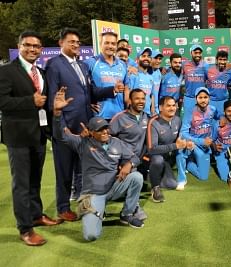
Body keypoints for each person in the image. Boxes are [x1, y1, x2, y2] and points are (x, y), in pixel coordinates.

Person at [53, 89, 145, 241]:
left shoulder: (116, 142)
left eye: (105, 128)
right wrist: (57, 113)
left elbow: (135, 157)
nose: (104, 132)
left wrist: (129, 164)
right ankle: (95, 211)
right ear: (90, 132)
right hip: (94, 193)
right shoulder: (82, 143)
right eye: (99, 130)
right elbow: (60, 135)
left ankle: (127, 214)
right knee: (91, 235)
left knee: (136, 177)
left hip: (114, 187)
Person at [0, 30, 62, 246]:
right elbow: (3, 102)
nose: (32, 49)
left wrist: (54, 108)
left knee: (35, 180)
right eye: (28, 45)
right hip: (17, 137)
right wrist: (29, 101)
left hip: (38, 135)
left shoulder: (41, 72)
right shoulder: (6, 71)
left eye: (36, 46)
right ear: (20, 46)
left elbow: (42, 103)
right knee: (22, 184)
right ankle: (25, 228)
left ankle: (36, 215)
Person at [46, 27, 93, 221]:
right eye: (71, 41)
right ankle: (63, 208)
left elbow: (89, 93)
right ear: (61, 43)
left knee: (82, 169)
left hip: (84, 127)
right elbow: (53, 99)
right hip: (65, 128)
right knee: (64, 170)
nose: (76, 45)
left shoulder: (82, 66)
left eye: (78, 42)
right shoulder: (53, 64)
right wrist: (61, 124)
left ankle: (82, 202)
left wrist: (110, 90)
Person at [109, 89, 149, 221]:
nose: (140, 101)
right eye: (137, 99)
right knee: (133, 172)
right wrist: (120, 160)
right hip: (121, 160)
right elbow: (107, 139)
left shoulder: (146, 117)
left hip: (138, 159)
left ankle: (131, 205)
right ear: (130, 101)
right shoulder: (119, 118)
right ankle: (133, 206)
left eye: (143, 98)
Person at [147, 96, 190, 201]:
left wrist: (187, 143)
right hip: (154, 157)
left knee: (172, 184)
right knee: (158, 160)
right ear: (161, 108)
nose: (172, 108)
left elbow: (181, 139)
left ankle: (152, 174)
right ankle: (155, 187)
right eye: (168, 106)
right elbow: (151, 149)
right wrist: (175, 146)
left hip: (169, 157)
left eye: (173, 105)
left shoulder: (177, 120)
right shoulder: (153, 122)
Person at [176, 87, 217, 190]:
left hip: (205, 146)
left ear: (209, 98)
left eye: (205, 97)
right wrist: (201, 141)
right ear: (196, 99)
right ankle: (181, 179)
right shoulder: (190, 112)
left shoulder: (212, 109)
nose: (203, 100)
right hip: (193, 143)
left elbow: (217, 121)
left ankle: (188, 164)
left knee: (203, 177)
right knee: (180, 151)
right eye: (200, 97)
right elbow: (183, 133)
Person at [85, 32, 128, 120]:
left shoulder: (123, 65)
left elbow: (127, 89)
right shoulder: (90, 63)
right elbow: (82, 87)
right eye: (107, 43)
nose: (110, 46)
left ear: (116, 46)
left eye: (113, 43)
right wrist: (86, 103)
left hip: (119, 115)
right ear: (101, 44)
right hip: (99, 116)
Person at [126, 48, 154, 116]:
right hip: (134, 113)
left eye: (148, 56)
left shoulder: (151, 77)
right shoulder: (133, 75)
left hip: (147, 114)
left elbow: (151, 95)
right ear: (138, 59)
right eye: (143, 56)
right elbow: (128, 94)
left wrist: (152, 109)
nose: (146, 58)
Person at [182, 44, 209, 115]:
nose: (198, 55)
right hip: (189, 98)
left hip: (201, 99)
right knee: (188, 121)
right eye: (195, 53)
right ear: (191, 53)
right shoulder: (184, 64)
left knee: (200, 121)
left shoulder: (205, 65)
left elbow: (211, 80)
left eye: (199, 53)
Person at [206, 50, 231, 117]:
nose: (222, 62)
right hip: (211, 101)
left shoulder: (230, 71)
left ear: (227, 60)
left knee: (222, 123)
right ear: (216, 60)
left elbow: (230, 86)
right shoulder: (209, 69)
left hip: (223, 101)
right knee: (210, 122)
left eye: (224, 60)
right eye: (220, 59)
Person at [149, 49, 164, 114]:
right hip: (147, 109)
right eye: (155, 58)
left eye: (160, 59)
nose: (158, 61)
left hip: (156, 109)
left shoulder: (158, 72)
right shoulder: (145, 72)